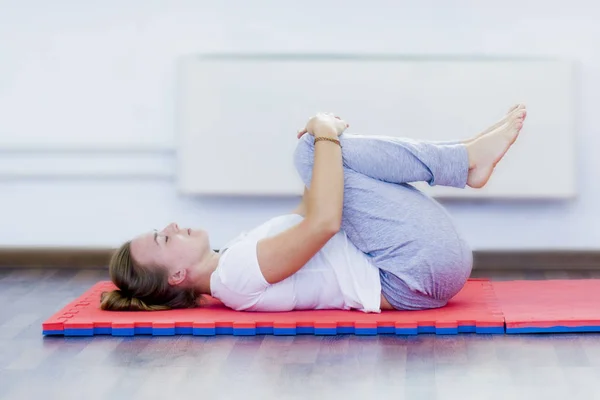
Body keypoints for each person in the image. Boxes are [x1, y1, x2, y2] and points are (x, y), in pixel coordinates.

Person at [101, 105, 527, 313]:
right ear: (176, 276)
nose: (172, 226)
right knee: (311, 152)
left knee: (319, 157)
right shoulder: (235, 275)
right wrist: (323, 134)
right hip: (416, 272)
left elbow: (315, 214)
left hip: (422, 268)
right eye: (163, 238)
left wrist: (326, 149)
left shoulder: (234, 261)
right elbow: (325, 221)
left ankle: (463, 159)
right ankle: (463, 160)